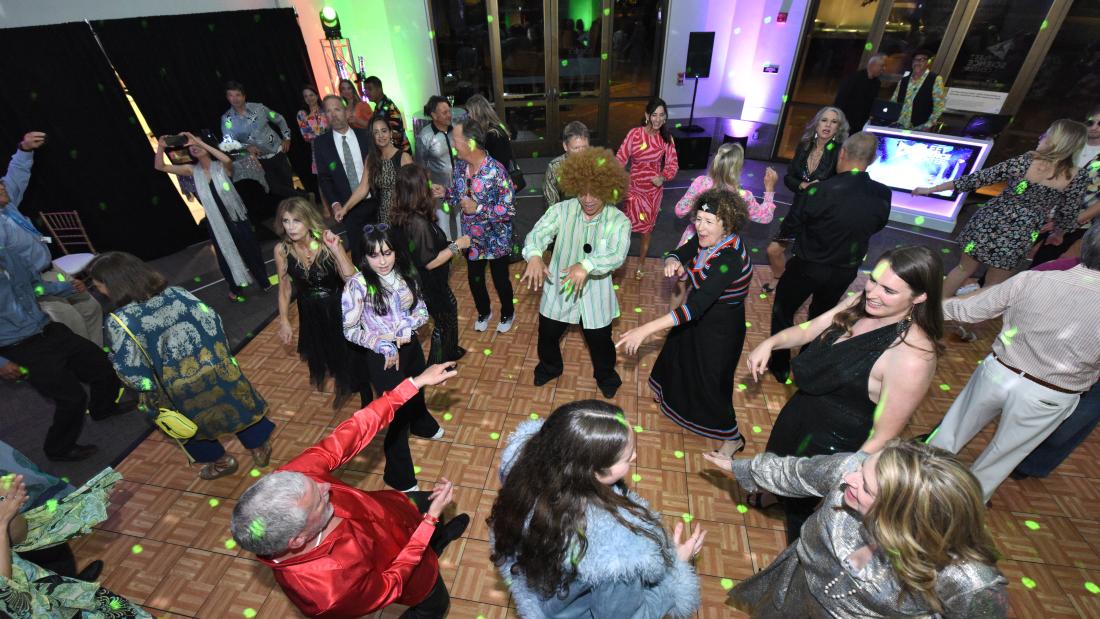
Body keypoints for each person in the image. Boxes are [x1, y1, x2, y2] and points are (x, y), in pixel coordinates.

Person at [230, 363, 470, 619]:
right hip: (407, 568)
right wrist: (429, 521)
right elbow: (390, 583)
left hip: (393, 509)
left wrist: (414, 384)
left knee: (424, 502)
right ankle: (432, 541)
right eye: (319, 501)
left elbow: (351, 434)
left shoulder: (292, 482)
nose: (325, 486)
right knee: (434, 606)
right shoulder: (327, 593)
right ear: (297, 540)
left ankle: (438, 540)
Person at [747, 246, 942, 542]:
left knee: (803, 524)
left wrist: (844, 480)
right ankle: (779, 495)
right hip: (801, 414)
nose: (873, 293)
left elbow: (882, 436)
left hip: (833, 448)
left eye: (889, 290)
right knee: (779, 468)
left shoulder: (913, 358)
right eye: (873, 280)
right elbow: (808, 329)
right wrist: (771, 343)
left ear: (919, 297)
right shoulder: (860, 303)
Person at [703, 440, 1007, 617]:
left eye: (868, 488)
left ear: (904, 516)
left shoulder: (968, 578)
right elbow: (793, 472)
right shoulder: (850, 471)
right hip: (794, 592)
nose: (850, 478)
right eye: (862, 469)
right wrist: (740, 468)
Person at [927, 225, 1100, 502]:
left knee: (949, 434)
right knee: (998, 461)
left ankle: (914, 485)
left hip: (998, 372)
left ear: (1087, 244)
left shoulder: (1033, 279)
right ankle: (961, 512)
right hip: (1050, 394)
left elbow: (968, 310)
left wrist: (919, 309)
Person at [489, 401, 704, 618]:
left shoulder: (526, 461)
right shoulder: (616, 559)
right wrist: (676, 568)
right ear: (593, 472)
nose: (635, 456)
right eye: (626, 456)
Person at [88, 252, 275, 480]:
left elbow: (133, 374)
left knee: (189, 429)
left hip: (175, 392)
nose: (100, 292)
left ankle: (222, 462)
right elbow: (214, 323)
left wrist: (138, 380)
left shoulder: (120, 321)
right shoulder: (178, 293)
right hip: (216, 369)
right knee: (239, 407)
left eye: (99, 286)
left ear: (113, 285)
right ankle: (259, 448)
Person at [617, 189, 754, 456]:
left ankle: (732, 437)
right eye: (698, 219)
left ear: (727, 225)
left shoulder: (730, 259)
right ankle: (669, 397)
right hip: (698, 317)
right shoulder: (705, 240)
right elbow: (682, 251)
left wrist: (645, 329)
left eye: (708, 222)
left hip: (720, 328)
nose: (700, 227)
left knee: (712, 380)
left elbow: (695, 307)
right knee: (675, 356)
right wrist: (672, 260)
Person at [914, 119, 1091, 300]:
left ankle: (935, 310)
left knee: (963, 269)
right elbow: (1068, 212)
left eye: (1047, 134)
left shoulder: (1026, 161)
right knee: (994, 285)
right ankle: (964, 314)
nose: (1041, 136)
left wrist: (932, 189)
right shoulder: (1077, 176)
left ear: (1056, 140)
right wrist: (1059, 233)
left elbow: (978, 179)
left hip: (991, 218)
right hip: (1023, 230)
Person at [0, 217, 130, 462]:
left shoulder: (10, 256)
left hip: (48, 330)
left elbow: (36, 286)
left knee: (101, 365)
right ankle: (58, 449)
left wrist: (67, 289)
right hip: (19, 347)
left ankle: (104, 408)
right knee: (71, 398)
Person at [767, 131, 890, 383]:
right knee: (821, 316)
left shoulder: (819, 190)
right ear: (873, 160)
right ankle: (804, 362)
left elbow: (790, 226)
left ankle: (779, 365)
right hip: (844, 270)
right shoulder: (882, 193)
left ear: (842, 154)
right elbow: (877, 225)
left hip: (807, 265)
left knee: (783, 310)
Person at [521, 147, 631, 398]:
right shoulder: (562, 210)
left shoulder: (619, 221)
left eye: (596, 192)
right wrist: (535, 255)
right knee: (547, 334)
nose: (588, 199)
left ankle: (605, 375)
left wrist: (587, 265)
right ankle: (550, 367)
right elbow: (538, 234)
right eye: (582, 192)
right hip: (560, 290)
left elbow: (617, 254)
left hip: (595, 297)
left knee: (601, 342)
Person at [342, 225, 444, 491]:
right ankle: (398, 476)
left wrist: (407, 326)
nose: (383, 260)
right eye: (375, 255)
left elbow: (422, 309)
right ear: (365, 257)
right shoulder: (357, 285)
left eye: (387, 252)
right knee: (396, 415)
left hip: (410, 348)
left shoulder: (404, 273)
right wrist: (381, 343)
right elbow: (350, 329)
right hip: (383, 358)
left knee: (418, 391)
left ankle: (422, 424)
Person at [1, 131, 103, 346]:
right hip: (33, 284)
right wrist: (60, 288)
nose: (3, 185)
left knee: (90, 308)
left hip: (52, 271)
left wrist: (24, 149)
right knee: (72, 322)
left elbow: (16, 175)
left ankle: (99, 359)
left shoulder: (6, 205)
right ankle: (89, 368)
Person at [1, 474, 153, 618]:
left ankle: (73, 579)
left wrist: (10, 513)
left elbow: (17, 537)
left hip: (46, 588)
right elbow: (5, 596)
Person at [154, 132, 269, 301]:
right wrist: (161, 147)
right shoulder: (192, 170)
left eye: (197, 145)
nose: (193, 148)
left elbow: (228, 160)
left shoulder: (221, 166)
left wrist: (199, 142)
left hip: (236, 217)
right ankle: (236, 288)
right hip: (216, 223)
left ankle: (263, 281)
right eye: (191, 147)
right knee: (224, 255)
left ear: (207, 148)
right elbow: (160, 167)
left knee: (250, 249)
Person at [274, 197, 362, 408]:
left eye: (297, 221)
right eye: (286, 221)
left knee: (348, 350)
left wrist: (338, 249)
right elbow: (285, 287)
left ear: (308, 220)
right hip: (310, 310)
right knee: (324, 349)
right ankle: (343, 384)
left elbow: (351, 277)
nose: (291, 227)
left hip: (337, 306)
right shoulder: (281, 250)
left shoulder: (325, 243)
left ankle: (355, 383)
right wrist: (284, 319)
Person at [432, 118, 516, 333]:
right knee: (475, 279)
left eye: (456, 141)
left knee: (500, 280)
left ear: (470, 143)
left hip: (497, 239)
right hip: (471, 239)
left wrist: (478, 209)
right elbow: (459, 197)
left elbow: (508, 210)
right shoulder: (460, 168)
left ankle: (508, 313)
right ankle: (484, 311)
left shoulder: (497, 171)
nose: (453, 145)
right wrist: (446, 194)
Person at [672, 143, 776, 306]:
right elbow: (765, 217)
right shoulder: (742, 196)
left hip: (693, 240)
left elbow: (679, 210)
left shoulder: (701, 183)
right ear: (737, 167)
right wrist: (769, 189)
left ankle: (670, 328)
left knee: (681, 283)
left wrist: (697, 208)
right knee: (707, 291)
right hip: (720, 249)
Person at [390, 165, 471, 364]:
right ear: (417, 190)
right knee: (443, 322)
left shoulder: (407, 213)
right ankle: (437, 365)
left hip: (428, 282)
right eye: (426, 183)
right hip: (429, 283)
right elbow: (430, 262)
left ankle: (450, 351)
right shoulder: (417, 223)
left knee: (450, 308)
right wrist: (457, 245)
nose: (430, 186)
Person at [766, 106, 849, 293]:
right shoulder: (804, 145)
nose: (828, 125)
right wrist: (802, 185)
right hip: (799, 209)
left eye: (833, 122)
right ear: (816, 123)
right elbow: (789, 178)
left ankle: (802, 290)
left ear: (839, 128)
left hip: (823, 214)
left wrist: (822, 188)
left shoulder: (840, 152)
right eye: (824, 120)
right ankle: (779, 278)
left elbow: (843, 184)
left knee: (808, 260)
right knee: (773, 250)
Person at [616, 97, 679, 278]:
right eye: (654, 115)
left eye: (661, 115)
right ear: (646, 116)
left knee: (646, 231)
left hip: (652, 193)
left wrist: (663, 176)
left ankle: (641, 265)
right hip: (633, 190)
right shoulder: (635, 134)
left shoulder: (666, 139)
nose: (658, 119)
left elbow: (673, 165)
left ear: (665, 117)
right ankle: (619, 262)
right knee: (625, 228)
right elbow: (621, 157)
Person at [314, 94, 375, 264]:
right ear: (325, 116)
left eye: (337, 109)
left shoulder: (365, 135)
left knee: (381, 245)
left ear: (346, 112)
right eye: (328, 111)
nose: (333, 114)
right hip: (348, 208)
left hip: (374, 200)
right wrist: (334, 204)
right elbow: (324, 178)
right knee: (358, 251)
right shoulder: (321, 143)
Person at [220, 80, 300, 200]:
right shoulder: (227, 120)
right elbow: (229, 143)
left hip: (278, 152)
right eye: (230, 95)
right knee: (273, 189)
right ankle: (304, 196)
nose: (234, 99)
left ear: (244, 96)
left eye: (237, 95)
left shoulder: (259, 108)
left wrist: (287, 138)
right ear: (227, 97)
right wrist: (246, 147)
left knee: (288, 187)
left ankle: (300, 208)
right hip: (259, 161)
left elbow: (279, 119)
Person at [338, 115, 414, 226]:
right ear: (372, 136)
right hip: (384, 217)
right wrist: (345, 208)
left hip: (404, 216)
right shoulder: (371, 158)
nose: (381, 136)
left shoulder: (403, 157)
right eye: (376, 133)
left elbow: (416, 188)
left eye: (384, 131)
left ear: (390, 133)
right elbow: (363, 188)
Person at [416, 95, 458, 240]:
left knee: (463, 222)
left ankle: (465, 253)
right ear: (434, 115)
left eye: (449, 111)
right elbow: (420, 166)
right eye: (444, 112)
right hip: (439, 190)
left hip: (459, 187)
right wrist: (429, 188)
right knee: (443, 227)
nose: (449, 115)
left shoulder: (456, 131)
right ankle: (448, 255)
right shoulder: (425, 136)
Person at [892, 49, 946, 131]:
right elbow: (894, 100)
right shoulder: (904, 80)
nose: (917, 63)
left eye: (922, 60)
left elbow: (939, 106)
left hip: (919, 127)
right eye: (915, 60)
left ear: (928, 62)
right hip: (899, 125)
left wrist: (928, 125)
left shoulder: (935, 79)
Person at [543, 120, 591, 207]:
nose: (581, 152)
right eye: (576, 148)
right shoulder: (555, 167)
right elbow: (552, 205)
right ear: (565, 146)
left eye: (584, 147)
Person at [834, 53, 887, 131]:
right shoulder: (854, 78)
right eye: (881, 66)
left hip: (861, 123)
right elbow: (841, 100)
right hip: (847, 120)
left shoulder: (877, 83)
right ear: (872, 65)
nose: (884, 69)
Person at [364, 76, 409, 152]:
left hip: (400, 153)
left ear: (379, 89)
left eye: (370, 89)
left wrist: (377, 135)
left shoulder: (389, 107)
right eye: (365, 89)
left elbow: (398, 134)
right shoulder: (378, 107)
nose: (367, 93)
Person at [296, 83, 329, 186]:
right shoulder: (302, 114)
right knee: (323, 182)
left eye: (311, 95)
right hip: (317, 150)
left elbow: (333, 128)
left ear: (317, 95)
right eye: (306, 96)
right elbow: (306, 137)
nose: (309, 98)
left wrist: (314, 130)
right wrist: (324, 130)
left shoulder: (326, 110)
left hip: (332, 145)